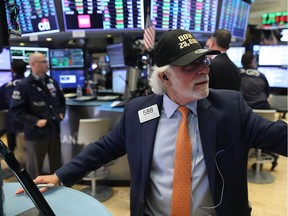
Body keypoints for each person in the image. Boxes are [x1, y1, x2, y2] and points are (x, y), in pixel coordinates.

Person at [15, 30, 287, 216]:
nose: (203, 69)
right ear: (165, 78)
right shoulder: (138, 112)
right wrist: (61, 175)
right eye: (189, 66)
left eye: (203, 60)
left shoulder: (230, 107)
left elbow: (278, 136)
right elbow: (104, 148)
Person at [10, 52, 66, 179]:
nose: (47, 64)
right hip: (36, 133)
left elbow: (61, 100)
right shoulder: (23, 85)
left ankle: (58, 192)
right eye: (44, 61)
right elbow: (16, 110)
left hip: (54, 129)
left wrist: (61, 113)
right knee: (34, 168)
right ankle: (33, 195)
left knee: (57, 167)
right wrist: (35, 121)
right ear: (33, 64)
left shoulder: (51, 81)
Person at [0, 60, 26, 152]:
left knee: (12, 152)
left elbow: (2, 107)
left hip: (13, 125)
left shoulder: (5, 87)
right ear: (26, 69)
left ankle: (15, 165)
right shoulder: (33, 85)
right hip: (31, 125)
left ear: (12, 70)